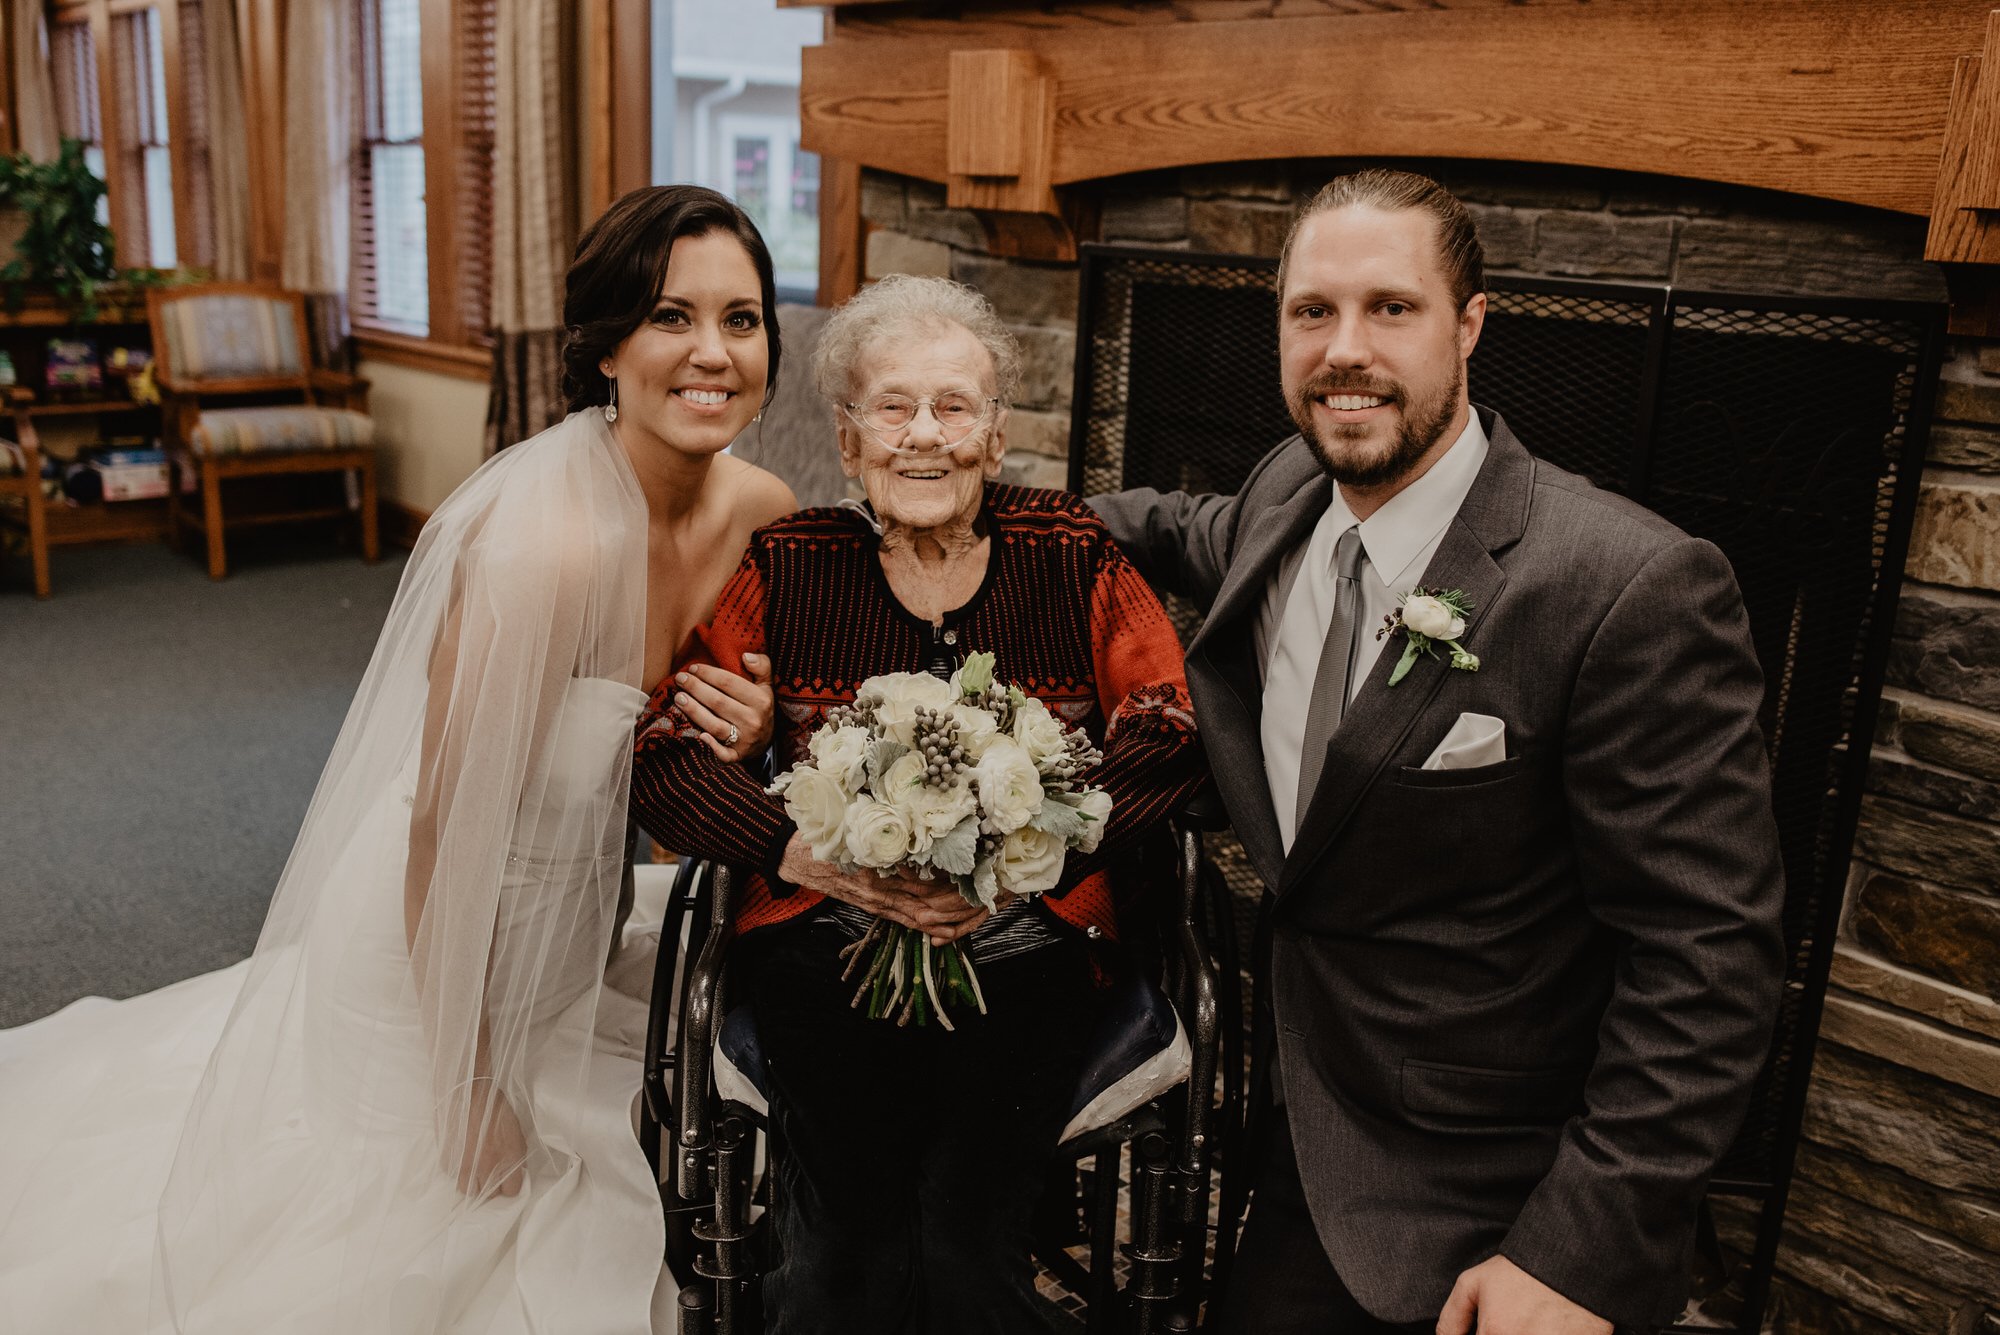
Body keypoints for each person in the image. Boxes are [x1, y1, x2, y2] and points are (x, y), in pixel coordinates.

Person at [0, 184, 794, 1333]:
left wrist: (755, 733)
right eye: (671, 317)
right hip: (438, 948)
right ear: (607, 346)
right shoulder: (544, 549)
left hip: (573, 917)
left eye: (743, 318)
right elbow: (441, 832)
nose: (712, 353)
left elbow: (700, 775)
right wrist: (467, 1086)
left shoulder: (761, 511)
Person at [1090, 169, 1786, 1335]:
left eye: (1389, 308)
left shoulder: (1625, 587)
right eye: (1311, 311)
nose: (1342, 350)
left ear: (1468, 325)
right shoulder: (1286, 492)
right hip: (1292, 1121)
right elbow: (1157, 524)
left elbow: (1705, 957)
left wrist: (1571, 1255)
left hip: (1482, 1200)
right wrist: (933, 516)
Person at [631, 273, 1206, 1335]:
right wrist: (798, 852)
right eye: (892, 407)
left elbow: (1169, 736)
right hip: (821, 944)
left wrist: (1028, 861)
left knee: (958, 1247)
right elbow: (664, 755)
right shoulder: (791, 562)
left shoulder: (1070, 553)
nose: (923, 437)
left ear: (994, 437)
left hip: (1030, 944)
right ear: (848, 441)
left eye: (954, 408)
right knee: (843, 1251)